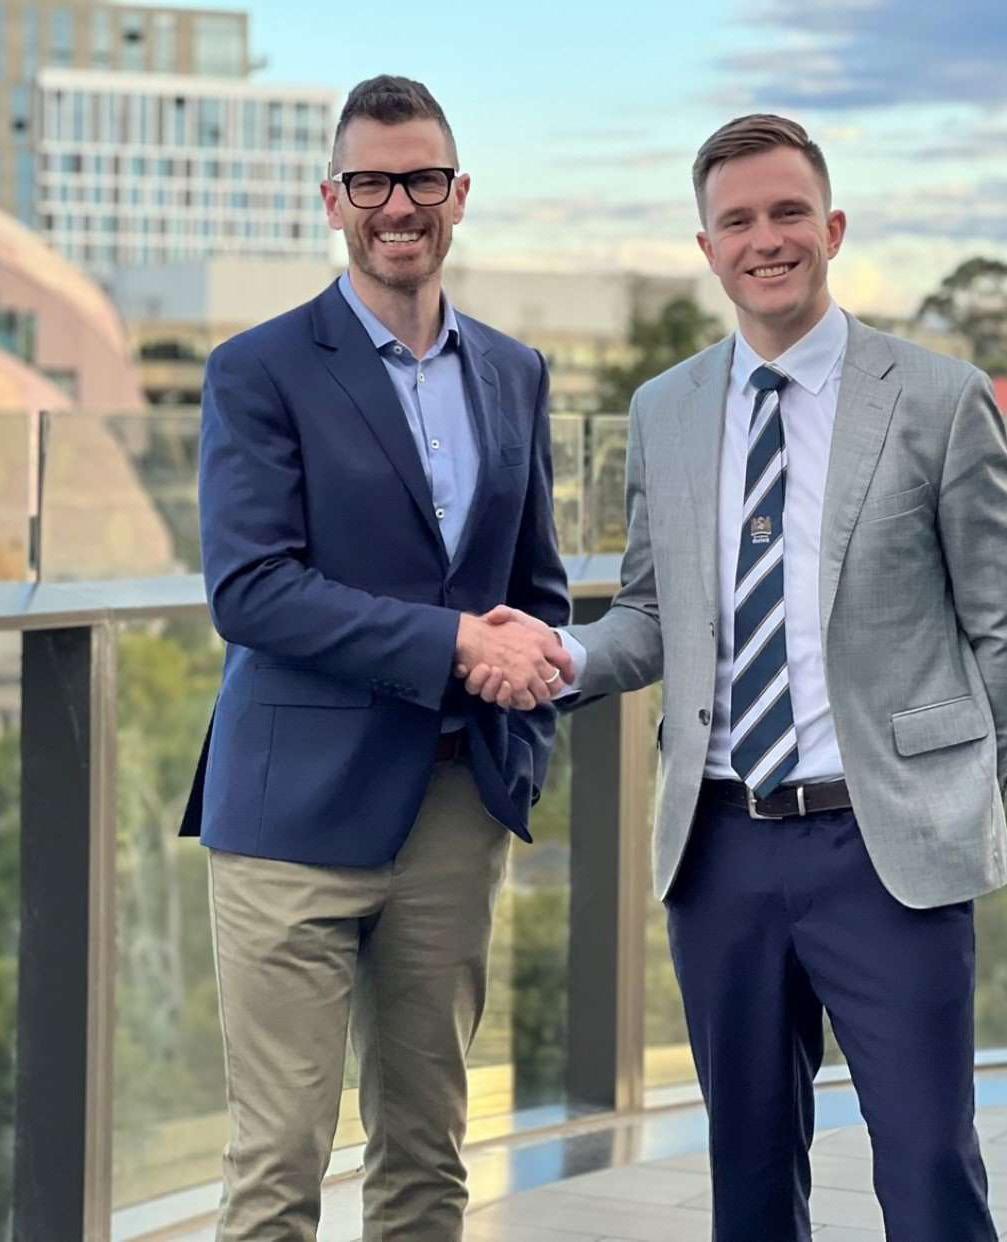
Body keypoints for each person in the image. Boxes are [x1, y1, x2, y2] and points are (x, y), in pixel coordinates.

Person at [467, 115, 1007, 1241]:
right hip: (716, 846)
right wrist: (565, 654)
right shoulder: (665, 409)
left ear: (832, 228)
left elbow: (997, 628)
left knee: (927, 1167)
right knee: (748, 1177)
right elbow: (653, 611)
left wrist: (974, 801)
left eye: (787, 213)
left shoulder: (936, 398)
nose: (766, 240)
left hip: (884, 846)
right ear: (707, 248)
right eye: (738, 221)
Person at [179, 74, 572, 1242]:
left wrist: (519, 746)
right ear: (332, 200)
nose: (398, 205)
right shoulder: (258, 368)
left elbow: (535, 588)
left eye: (421, 180)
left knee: (425, 1154)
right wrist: (453, 642)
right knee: (279, 1161)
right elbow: (252, 590)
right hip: (288, 819)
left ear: (460, 194)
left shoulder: (514, 372)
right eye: (370, 183)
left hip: (451, 813)